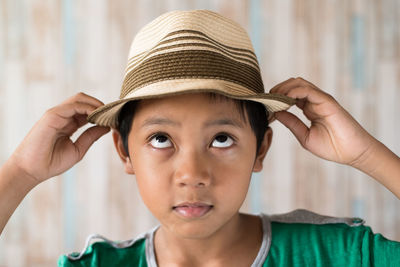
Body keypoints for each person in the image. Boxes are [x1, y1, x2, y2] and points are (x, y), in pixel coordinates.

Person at [1, 9, 399, 267]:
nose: (193, 174)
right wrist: (20, 173)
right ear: (124, 151)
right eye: (160, 139)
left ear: (260, 149)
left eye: (222, 139)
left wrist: (366, 155)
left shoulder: (337, 255)